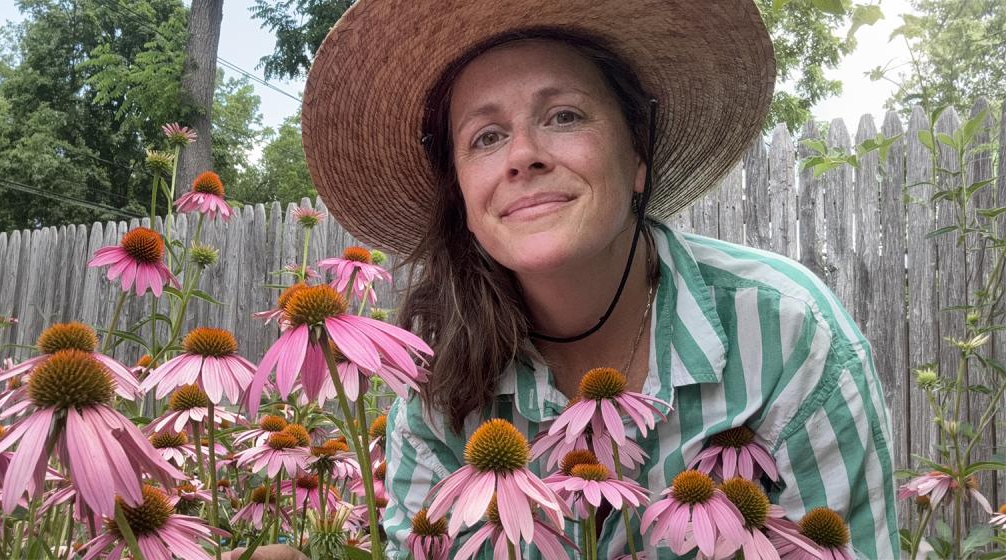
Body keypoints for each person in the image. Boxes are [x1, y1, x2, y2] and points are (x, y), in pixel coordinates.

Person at [239, 0, 899, 558]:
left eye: (564, 116)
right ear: (461, 196)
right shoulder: (438, 390)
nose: (523, 155)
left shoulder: (789, 337)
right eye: (486, 137)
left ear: (637, 154)